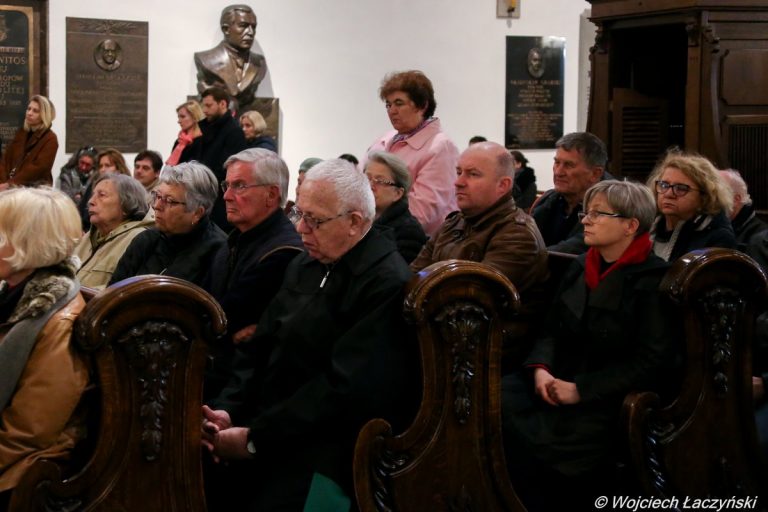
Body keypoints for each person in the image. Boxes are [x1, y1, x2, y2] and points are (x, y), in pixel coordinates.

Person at [201, 159, 417, 511]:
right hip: (269, 424)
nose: (301, 229)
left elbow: (343, 390)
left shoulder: (385, 283)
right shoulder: (306, 263)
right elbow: (260, 346)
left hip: (327, 447)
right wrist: (228, 410)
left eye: (314, 220)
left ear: (355, 222)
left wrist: (256, 439)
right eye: (300, 214)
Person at [502, 180, 678, 510]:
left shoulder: (653, 280)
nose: (585, 220)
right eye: (586, 212)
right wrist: (541, 370)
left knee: (553, 443)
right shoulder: (582, 265)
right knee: (496, 400)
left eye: (598, 214)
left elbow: (651, 362)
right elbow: (550, 329)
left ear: (630, 226)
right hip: (558, 379)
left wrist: (581, 390)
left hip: (606, 395)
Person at [411, 141, 548, 355]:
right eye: (459, 172)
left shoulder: (517, 234)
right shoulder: (453, 223)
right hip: (443, 331)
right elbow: (413, 276)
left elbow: (473, 297)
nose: (458, 182)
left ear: (502, 185)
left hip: (487, 347)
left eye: (473, 174)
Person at [0, 187, 87, 505]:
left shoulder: (58, 319)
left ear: (27, 245)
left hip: (23, 468)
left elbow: (30, 430)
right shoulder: (15, 293)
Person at [202, 149, 303, 402]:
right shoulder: (235, 240)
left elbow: (220, 321)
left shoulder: (283, 252)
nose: (226, 196)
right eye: (227, 185)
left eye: (239, 186)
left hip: (241, 386)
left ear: (271, 194)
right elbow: (202, 303)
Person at [366, 70, 460, 237]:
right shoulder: (384, 140)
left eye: (399, 103)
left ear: (422, 106)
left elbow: (423, 212)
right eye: (388, 104)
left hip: (411, 240)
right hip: (374, 232)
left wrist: (369, 229)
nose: (392, 111)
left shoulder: (440, 147)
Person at [110, 162, 226, 287]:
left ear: (197, 213)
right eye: (158, 196)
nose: (156, 206)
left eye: (170, 201)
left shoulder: (219, 251)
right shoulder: (146, 240)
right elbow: (112, 291)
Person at [647, 151, 736, 261]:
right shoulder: (647, 227)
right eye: (664, 185)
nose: (668, 194)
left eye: (681, 188)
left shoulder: (718, 238)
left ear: (704, 196)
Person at [532, 132, 608, 254]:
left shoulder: (611, 209)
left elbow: (573, 251)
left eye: (569, 165)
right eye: (557, 162)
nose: (558, 172)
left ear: (595, 173)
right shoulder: (547, 200)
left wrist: (527, 257)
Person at [184, 87, 247, 231]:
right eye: (203, 106)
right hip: (200, 194)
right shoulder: (203, 128)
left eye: (209, 105)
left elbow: (230, 168)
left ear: (222, 104)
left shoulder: (234, 132)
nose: (204, 110)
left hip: (219, 199)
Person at [74, 173, 153, 289]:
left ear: (126, 204)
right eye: (93, 195)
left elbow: (124, 291)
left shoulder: (138, 239)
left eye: (101, 195)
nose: (90, 201)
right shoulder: (90, 236)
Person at [194, 4, 267, 114]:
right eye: (243, 26)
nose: (250, 32)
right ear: (226, 29)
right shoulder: (206, 59)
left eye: (253, 27)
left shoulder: (259, 63)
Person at [365, 151, 426, 263]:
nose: (370, 185)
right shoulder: (355, 217)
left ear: (397, 193)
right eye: (367, 178)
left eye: (380, 181)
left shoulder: (408, 232)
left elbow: (396, 272)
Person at [0, 95, 58, 189]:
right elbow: (6, 159)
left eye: (35, 111)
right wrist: (3, 182)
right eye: (29, 109)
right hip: (10, 188)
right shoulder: (22, 133)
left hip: (34, 190)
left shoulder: (50, 139)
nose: (29, 113)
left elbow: (39, 169)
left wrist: (10, 184)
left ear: (44, 115)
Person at [719, 169, 768, 270]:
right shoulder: (706, 228)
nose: (708, 200)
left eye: (716, 194)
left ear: (735, 199)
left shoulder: (759, 240)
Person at [78, 148, 131, 231]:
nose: (103, 169)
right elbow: (82, 212)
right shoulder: (93, 185)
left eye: (107, 165)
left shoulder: (127, 188)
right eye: (100, 166)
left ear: (118, 168)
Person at [167, 100, 204, 166]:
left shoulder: (202, 140)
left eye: (183, 117)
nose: (179, 121)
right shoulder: (179, 141)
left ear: (194, 117)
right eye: (178, 117)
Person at [285, 157, 322, 222]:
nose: (298, 191)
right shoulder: (292, 212)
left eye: (306, 186)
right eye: (299, 183)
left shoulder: (319, 222)